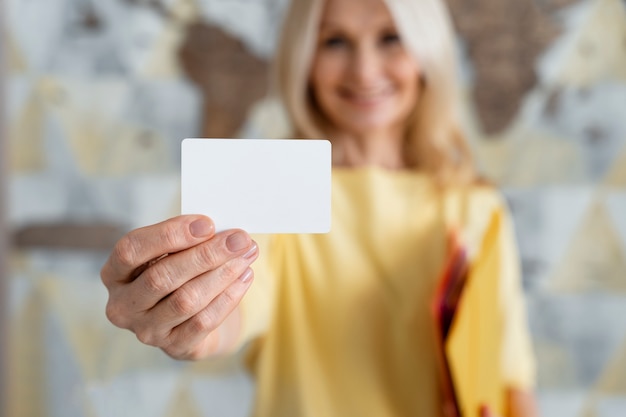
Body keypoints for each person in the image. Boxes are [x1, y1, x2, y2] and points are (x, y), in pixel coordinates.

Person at [100, 0, 540, 416]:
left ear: (428, 52)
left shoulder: (476, 207)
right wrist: (189, 320)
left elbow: (508, 377)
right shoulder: (273, 185)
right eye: (334, 41)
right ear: (303, 59)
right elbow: (233, 316)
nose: (365, 71)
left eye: (390, 38)